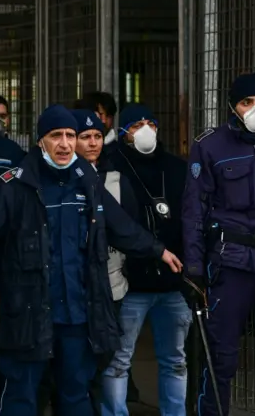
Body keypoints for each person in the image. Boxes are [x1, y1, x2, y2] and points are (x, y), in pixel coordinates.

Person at [0, 104, 183, 416]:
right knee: (21, 397)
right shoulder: (14, 183)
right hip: (30, 314)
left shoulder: (87, 180)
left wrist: (158, 250)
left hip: (77, 315)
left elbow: (121, 227)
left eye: (70, 135)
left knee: (76, 395)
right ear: (41, 141)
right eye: (56, 136)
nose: (65, 143)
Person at [183, 71, 255, 416]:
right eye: (247, 102)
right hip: (231, 264)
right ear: (233, 106)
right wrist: (195, 267)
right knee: (221, 355)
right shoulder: (211, 145)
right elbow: (193, 211)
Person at [102, 103, 190, 416]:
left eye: (149, 122)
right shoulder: (112, 169)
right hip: (130, 285)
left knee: (175, 360)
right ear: (123, 131)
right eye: (136, 124)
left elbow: (190, 222)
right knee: (118, 361)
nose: (144, 129)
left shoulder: (177, 169)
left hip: (172, 284)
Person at [69, 109, 137, 415]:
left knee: (105, 359)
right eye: (85, 137)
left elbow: (131, 229)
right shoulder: (61, 178)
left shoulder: (116, 179)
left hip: (112, 287)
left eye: (97, 136)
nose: (93, 143)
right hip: (73, 287)